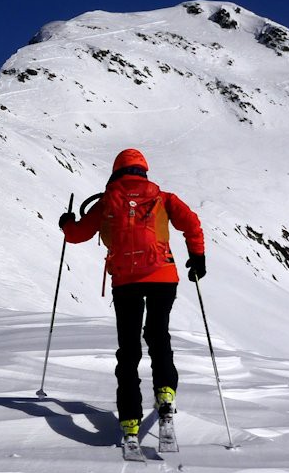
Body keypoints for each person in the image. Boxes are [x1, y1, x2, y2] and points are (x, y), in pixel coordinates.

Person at [58, 148, 205, 455]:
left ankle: (129, 423)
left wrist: (67, 223)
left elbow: (77, 235)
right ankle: (166, 395)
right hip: (163, 276)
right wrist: (197, 257)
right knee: (158, 337)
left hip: (126, 282)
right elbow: (191, 223)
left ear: (116, 172)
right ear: (143, 172)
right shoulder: (163, 198)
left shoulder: (106, 202)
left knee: (129, 350)